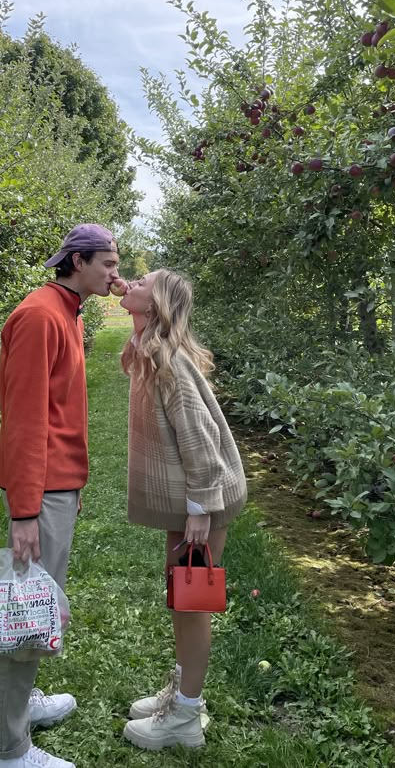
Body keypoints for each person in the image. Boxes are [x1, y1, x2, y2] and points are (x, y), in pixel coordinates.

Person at [0, 224, 121, 768]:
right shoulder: (41, 315)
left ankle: (21, 705)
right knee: (24, 612)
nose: (115, 272)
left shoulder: (65, 312)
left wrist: (70, 486)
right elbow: (23, 421)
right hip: (39, 495)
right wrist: (26, 510)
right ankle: (6, 748)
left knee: (38, 602)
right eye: (107, 263)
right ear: (78, 261)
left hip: (56, 488)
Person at [117, 269, 247, 751]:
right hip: (196, 499)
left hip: (205, 499)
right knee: (181, 596)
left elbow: (200, 441)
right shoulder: (151, 352)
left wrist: (199, 510)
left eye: (142, 281)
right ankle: (182, 691)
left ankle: (186, 718)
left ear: (158, 304)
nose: (129, 279)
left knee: (191, 601)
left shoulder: (169, 362)